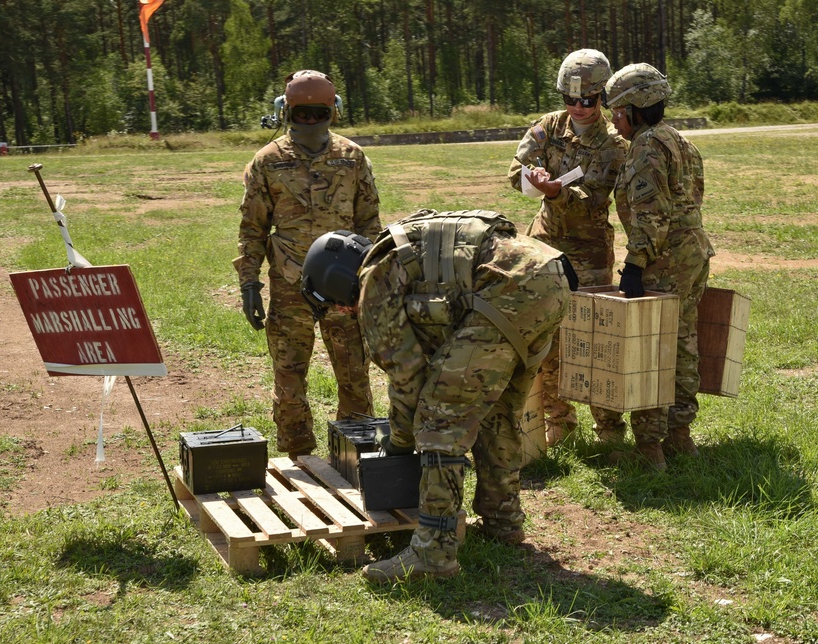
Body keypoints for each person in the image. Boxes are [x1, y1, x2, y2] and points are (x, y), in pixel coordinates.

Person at [300, 210, 572, 582]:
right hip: (548, 274)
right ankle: (502, 522)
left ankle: (433, 554)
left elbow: (408, 379)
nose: (344, 312)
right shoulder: (400, 253)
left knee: (439, 421)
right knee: (495, 412)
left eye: (335, 305)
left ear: (335, 282)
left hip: (508, 289)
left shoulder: (374, 281)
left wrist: (398, 442)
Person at [235, 69, 381, 458]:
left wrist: (371, 281)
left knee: (354, 375)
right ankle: (299, 454)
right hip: (289, 283)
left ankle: (357, 452)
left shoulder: (351, 157)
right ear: (286, 112)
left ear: (334, 111)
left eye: (320, 114)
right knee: (289, 376)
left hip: (344, 287)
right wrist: (249, 283)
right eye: (304, 114)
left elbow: (369, 223)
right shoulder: (268, 162)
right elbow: (252, 228)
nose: (312, 122)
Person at [507, 48, 629, 447]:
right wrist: (533, 178)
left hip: (589, 251)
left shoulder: (614, 143)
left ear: (602, 98)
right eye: (570, 99)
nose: (578, 107)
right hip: (543, 245)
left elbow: (595, 199)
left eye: (588, 100)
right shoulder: (548, 127)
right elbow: (516, 169)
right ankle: (559, 424)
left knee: (594, 340)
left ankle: (609, 429)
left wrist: (557, 192)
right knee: (545, 337)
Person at [605, 63, 715, 470]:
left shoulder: (647, 145)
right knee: (683, 342)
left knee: (651, 349)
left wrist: (634, 265)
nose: (614, 121)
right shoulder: (679, 140)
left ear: (636, 109)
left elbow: (651, 213)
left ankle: (650, 449)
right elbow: (694, 198)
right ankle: (680, 435)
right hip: (692, 253)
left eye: (618, 112)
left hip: (663, 260)